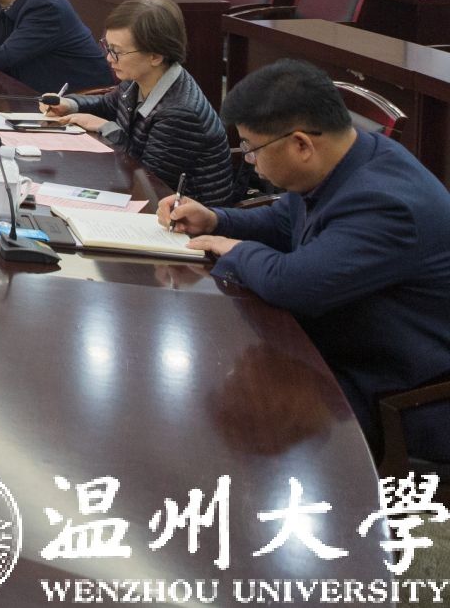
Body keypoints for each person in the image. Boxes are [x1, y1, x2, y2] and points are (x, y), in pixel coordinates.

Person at [160, 60, 450, 460]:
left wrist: (236, 249)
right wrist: (216, 220)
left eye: (252, 149)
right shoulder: (345, 159)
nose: (250, 160)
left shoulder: (386, 203)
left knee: (229, 437)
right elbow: (283, 221)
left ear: (300, 144)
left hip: (399, 392)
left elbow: (292, 285)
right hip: (337, 346)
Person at [38, 0, 242, 204]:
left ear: (156, 56)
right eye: (108, 47)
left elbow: (146, 180)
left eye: (117, 52)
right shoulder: (140, 78)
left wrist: (107, 128)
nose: (109, 58)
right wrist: (70, 105)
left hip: (182, 213)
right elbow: (108, 104)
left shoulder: (179, 112)